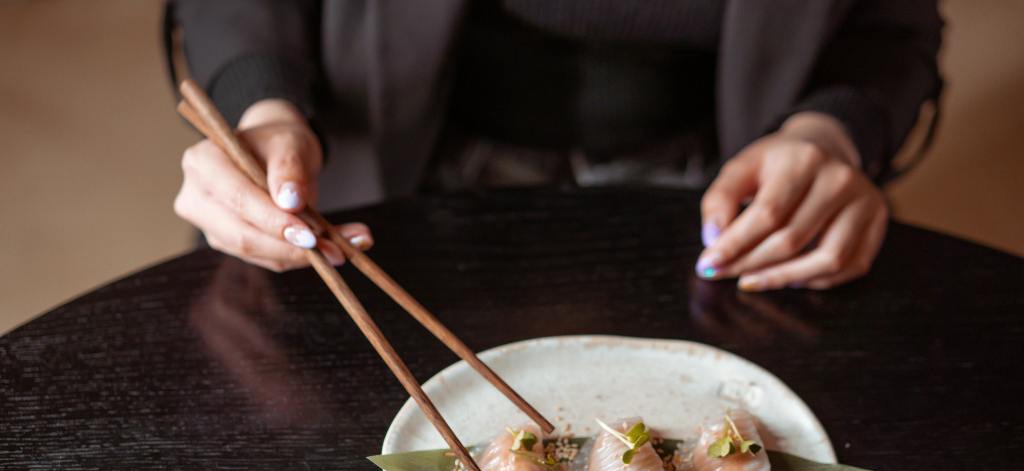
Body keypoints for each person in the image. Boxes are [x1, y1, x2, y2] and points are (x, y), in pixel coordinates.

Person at [167, 1, 942, 290]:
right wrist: (262, 104)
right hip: (383, 172)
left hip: (722, 184)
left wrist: (828, 129)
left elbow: (890, 25)